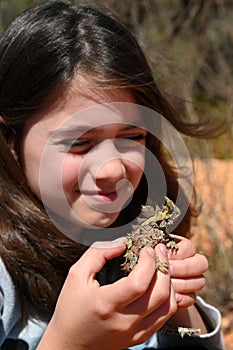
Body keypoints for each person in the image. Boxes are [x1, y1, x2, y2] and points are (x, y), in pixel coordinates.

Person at [0, 1, 225, 349]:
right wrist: (70, 342)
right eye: (80, 143)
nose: (114, 169)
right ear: (10, 141)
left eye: (132, 136)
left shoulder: (141, 228)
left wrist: (179, 304)